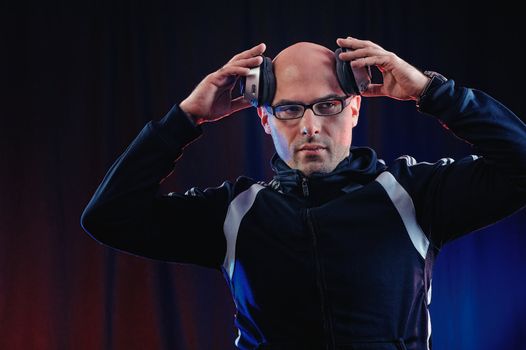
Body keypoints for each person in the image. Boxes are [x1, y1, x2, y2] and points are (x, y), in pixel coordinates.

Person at [81, 36, 526, 350]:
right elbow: (108, 216)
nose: (310, 126)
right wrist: (185, 118)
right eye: (290, 109)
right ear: (264, 119)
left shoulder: (413, 195)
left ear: (354, 107)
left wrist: (431, 91)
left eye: (328, 105)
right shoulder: (234, 213)